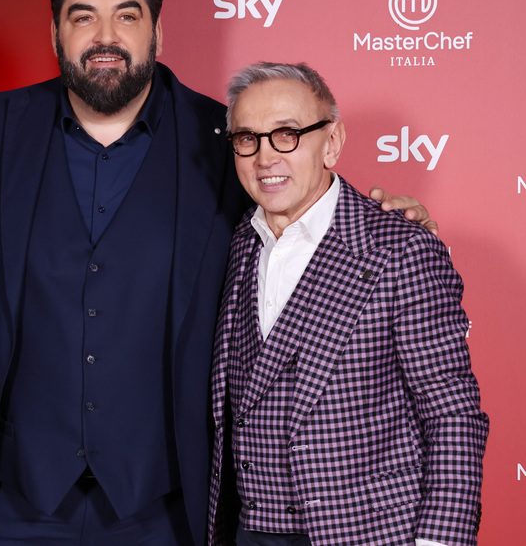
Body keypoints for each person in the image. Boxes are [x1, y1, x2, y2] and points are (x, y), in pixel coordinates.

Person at [0, 0, 435, 546]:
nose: (106, 37)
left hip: (164, 509)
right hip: (11, 504)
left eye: (127, 15)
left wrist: (384, 217)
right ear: (55, 32)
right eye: (83, 17)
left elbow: (297, 199)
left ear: (156, 30)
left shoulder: (221, 137)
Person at [206, 62, 487, 546]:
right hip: (247, 531)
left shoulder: (401, 249)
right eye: (247, 138)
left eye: (287, 135)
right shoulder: (237, 243)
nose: (265, 157)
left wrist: (440, 541)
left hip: (364, 533)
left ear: (332, 142)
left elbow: (452, 412)